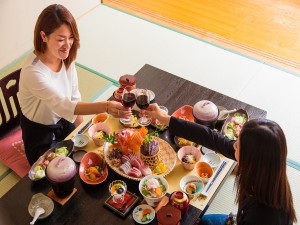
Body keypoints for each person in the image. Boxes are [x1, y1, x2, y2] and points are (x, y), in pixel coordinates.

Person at [145, 103, 297, 225]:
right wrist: (165, 118)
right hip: (241, 218)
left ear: (250, 159)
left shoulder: (263, 216)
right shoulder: (269, 170)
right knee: (204, 220)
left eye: (237, 146)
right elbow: (212, 138)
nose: (233, 145)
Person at [18, 4, 131, 165]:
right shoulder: (33, 72)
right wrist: (106, 106)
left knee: (89, 156)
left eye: (70, 37)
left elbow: (74, 98)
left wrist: (84, 134)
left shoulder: (65, 56)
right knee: (59, 170)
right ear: (44, 36)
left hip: (63, 120)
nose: (68, 45)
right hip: (39, 132)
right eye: (60, 39)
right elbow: (65, 105)